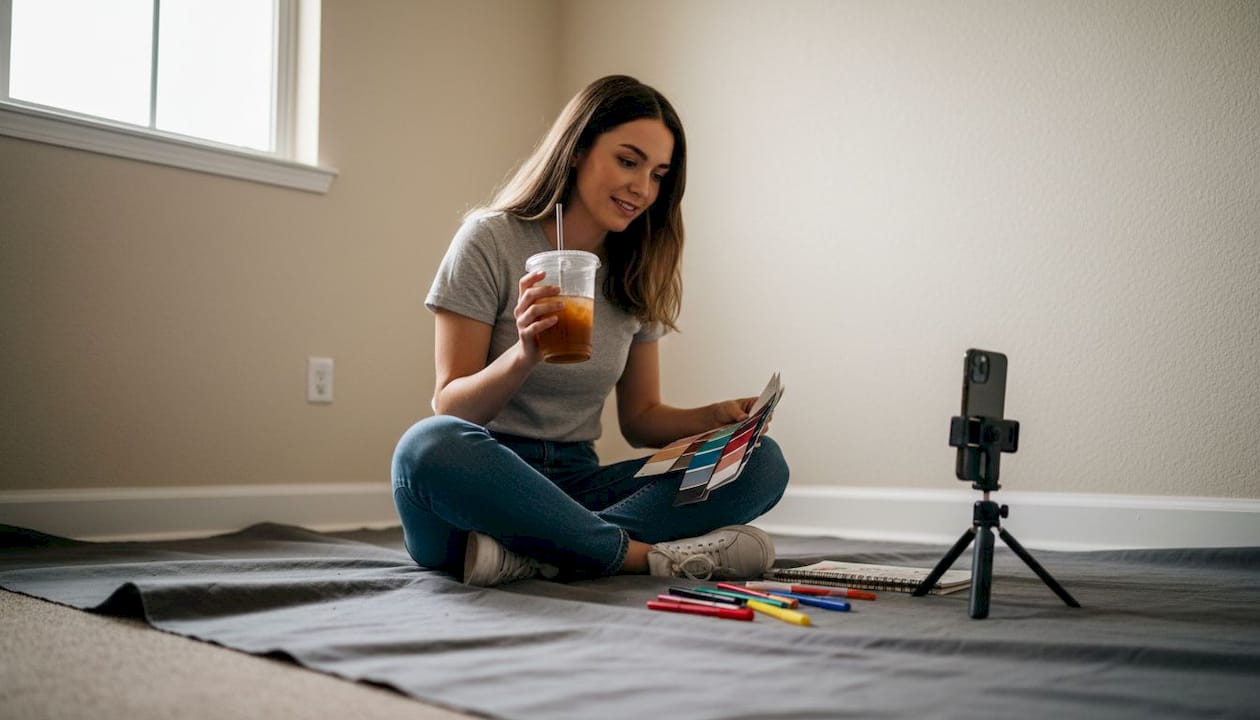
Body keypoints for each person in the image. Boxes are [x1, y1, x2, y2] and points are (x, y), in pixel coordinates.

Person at [391, 75, 789, 587]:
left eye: (658, 174)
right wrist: (524, 353)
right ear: (577, 150)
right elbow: (451, 407)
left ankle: (545, 553)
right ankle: (633, 555)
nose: (643, 188)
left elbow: (640, 419)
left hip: (577, 484)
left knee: (761, 462)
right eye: (628, 161)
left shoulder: (636, 267)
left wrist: (715, 420)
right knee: (426, 447)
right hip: (487, 482)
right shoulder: (490, 240)